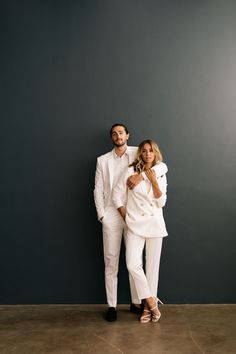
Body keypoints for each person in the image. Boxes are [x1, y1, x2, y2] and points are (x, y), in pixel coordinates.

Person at [94, 125, 167, 321]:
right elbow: (98, 189)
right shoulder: (102, 160)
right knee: (113, 260)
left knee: (143, 263)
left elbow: (161, 165)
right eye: (114, 134)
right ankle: (112, 305)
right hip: (114, 214)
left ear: (128, 135)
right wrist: (102, 215)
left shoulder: (138, 151)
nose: (118, 136)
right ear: (111, 137)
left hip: (140, 216)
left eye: (121, 133)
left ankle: (140, 303)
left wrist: (141, 175)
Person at [112, 139, 168, 323]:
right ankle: (151, 301)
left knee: (153, 267)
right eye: (143, 151)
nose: (147, 153)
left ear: (155, 152)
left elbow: (161, 202)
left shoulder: (160, 172)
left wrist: (152, 181)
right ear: (140, 154)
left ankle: (146, 308)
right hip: (135, 224)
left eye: (151, 150)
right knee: (132, 264)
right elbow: (117, 196)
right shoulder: (129, 171)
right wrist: (126, 216)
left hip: (155, 223)